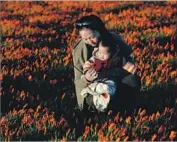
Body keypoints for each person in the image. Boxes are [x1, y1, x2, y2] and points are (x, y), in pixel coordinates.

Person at [72, 15, 141, 112]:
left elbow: (128, 62)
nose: (89, 41)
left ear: (100, 31)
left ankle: (121, 105)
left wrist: (115, 72)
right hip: (94, 86)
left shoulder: (115, 40)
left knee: (133, 80)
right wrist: (87, 78)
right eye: (85, 39)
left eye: (92, 37)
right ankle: (113, 106)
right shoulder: (79, 50)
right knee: (94, 98)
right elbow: (78, 79)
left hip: (116, 80)